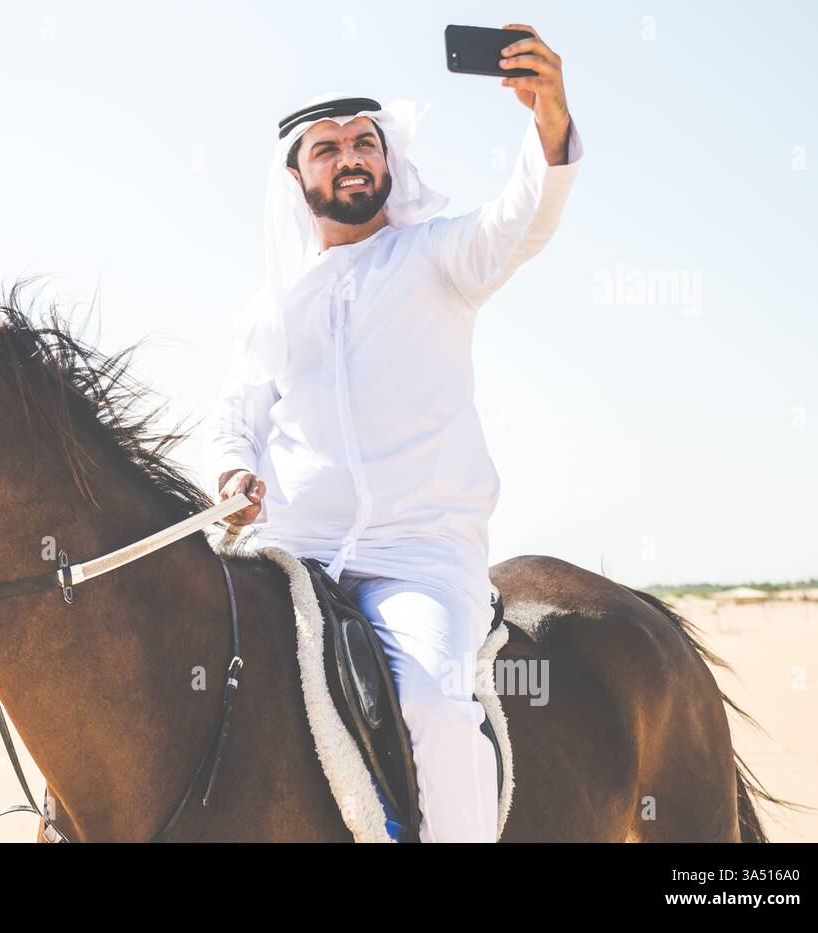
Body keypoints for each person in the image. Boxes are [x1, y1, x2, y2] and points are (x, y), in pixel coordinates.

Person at [205, 25, 583, 842]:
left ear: (388, 163)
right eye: (328, 148)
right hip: (294, 555)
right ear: (296, 176)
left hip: (420, 554)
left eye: (365, 143)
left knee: (434, 706)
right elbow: (236, 422)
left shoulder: (436, 258)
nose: (351, 157)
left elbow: (522, 219)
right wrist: (234, 477)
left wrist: (548, 119)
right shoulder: (270, 310)